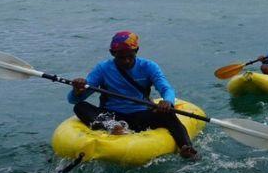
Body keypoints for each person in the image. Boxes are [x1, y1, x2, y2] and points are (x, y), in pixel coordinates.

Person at [69, 31, 198, 160]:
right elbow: (73, 100)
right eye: (121, 57)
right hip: (112, 116)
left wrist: (168, 102)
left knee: (168, 113)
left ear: (137, 50)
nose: (126, 61)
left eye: (130, 56)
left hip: (141, 116)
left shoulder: (148, 67)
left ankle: (187, 148)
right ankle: (112, 127)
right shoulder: (102, 69)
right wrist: (77, 90)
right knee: (80, 107)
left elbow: (166, 88)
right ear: (112, 53)